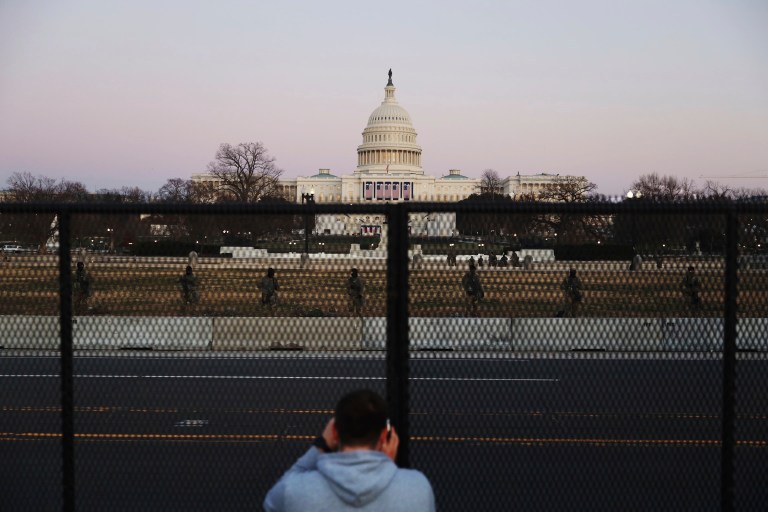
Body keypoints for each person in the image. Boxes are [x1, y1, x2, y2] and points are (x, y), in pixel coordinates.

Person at [263, 389, 435, 512]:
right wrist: (385, 465)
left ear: (335, 432)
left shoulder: (294, 490)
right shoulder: (418, 488)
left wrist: (320, 446)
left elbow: (271, 503)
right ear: (384, 436)